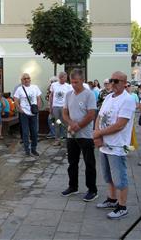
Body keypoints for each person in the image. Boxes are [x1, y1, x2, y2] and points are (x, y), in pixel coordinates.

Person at [94, 71, 136, 219]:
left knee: (120, 178)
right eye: (112, 80)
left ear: (125, 83)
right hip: (105, 144)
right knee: (107, 176)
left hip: (117, 146)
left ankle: (122, 206)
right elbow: (99, 116)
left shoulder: (128, 99)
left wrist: (99, 134)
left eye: (117, 81)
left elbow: (120, 125)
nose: (113, 83)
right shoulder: (108, 97)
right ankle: (112, 199)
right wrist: (97, 134)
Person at [61, 69, 98, 201]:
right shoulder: (68, 94)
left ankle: (92, 189)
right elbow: (64, 112)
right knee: (72, 162)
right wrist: (71, 123)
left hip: (86, 135)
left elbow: (91, 114)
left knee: (89, 163)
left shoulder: (89, 94)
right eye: (72, 82)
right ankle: (73, 186)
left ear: (82, 80)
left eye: (76, 82)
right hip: (72, 134)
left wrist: (79, 126)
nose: (73, 84)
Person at [14, 73, 42, 156]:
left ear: (30, 79)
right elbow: (15, 99)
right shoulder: (19, 89)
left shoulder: (35, 87)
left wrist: (38, 107)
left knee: (34, 132)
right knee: (25, 132)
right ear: (22, 80)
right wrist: (19, 109)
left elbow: (39, 98)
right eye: (24, 79)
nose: (26, 80)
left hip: (33, 113)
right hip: (24, 114)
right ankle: (27, 149)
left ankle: (34, 148)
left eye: (28, 78)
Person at [49, 72, 72, 146]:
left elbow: (70, 97)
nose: (63, 79)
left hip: (64, 107)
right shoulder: (54, 85)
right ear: (59, 77)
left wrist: (69, 108)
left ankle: (67, 140)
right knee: (57, 123)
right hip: (55, 107)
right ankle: (57, 140)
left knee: (65, 124)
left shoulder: (68, 86)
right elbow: (51, 96)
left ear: (66, 78)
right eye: (61, 77)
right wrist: (50, 106)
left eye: (64, 77)